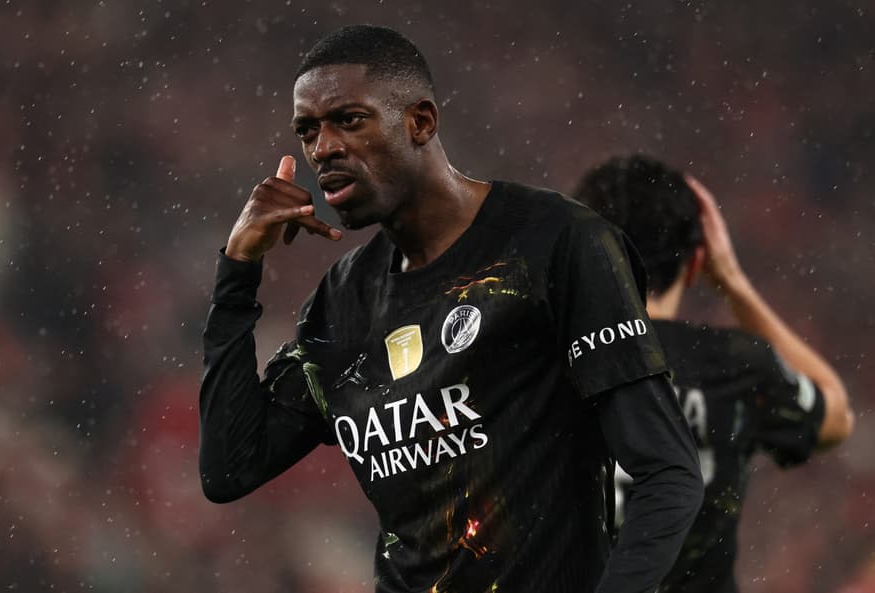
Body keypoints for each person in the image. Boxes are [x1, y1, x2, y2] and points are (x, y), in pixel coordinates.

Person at [199, 25, 703, 593]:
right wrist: (238, 269)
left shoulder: (556, 244)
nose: (324, 148)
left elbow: (669, 474)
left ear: (420, 122)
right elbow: (230, 467)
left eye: (349, 119)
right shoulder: (342, 300)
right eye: (308, 130)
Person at [574, 154, 855, 593]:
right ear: (693, 265)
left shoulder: (542, 364)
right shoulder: (732, 363)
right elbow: (836, 418)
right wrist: (732, 282)